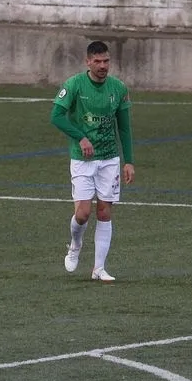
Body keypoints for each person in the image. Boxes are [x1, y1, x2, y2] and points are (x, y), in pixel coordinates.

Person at [50, 40, 135, 282]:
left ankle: (99, 268)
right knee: (84, 213)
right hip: (83, 159)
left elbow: (125, 128)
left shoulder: (118, 88)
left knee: (105, 212)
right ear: (88, 62)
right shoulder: (75, 85)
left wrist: (128, 161)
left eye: (106, 61)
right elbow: (56, 116)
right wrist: (81, 138)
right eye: (97, 61)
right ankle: (75, 245)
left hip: (109, 159)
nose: (102, 66)